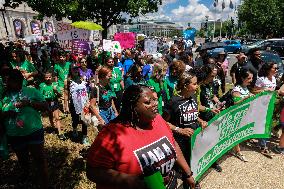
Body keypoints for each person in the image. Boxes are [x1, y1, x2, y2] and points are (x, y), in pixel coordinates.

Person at [86, 84, 195, 189]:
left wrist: (188, 174)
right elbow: (93, 171)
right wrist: (134, 182)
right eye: (148, 102)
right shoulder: (111, 135)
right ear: (133, 108)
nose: (154, 104)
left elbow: (173, 145)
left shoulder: (158, 119)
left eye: (154, 99)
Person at [1, 69, 48, 189]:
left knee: (39, 159)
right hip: (14, 134)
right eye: (15, 82)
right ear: (8, 81)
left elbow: (45, 106)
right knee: (23, 159)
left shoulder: (32, 91)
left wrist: (30, 103)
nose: (18, 84)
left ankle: (44, 182)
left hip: (34, 131)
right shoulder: (3, 95)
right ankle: (26, 174)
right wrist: (7, 113)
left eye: (20, 81)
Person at [163, 71, 207, 189]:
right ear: (185, 85)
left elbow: (192, 113)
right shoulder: (173, 102)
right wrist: (179, 129)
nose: (197, 86)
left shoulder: (192, 97)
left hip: (193, 140)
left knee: (193, 163)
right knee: (184, 169)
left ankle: (192, 182)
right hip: (180, 144)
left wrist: (200, 121)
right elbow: (163, 122)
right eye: (194, 84)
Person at [253, 62, 279, 155]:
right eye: (275, 68)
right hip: (261, 105)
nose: (276, 70)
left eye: (277, 68)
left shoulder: (274, 79)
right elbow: (254, 91)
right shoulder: (261, 79)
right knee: (265, 124)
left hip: (270, 105)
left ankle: (260, 143)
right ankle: (263, 146)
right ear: (269, 69)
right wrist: (265, 90)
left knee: (266, 124)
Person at [231, 68, 254, 162]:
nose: (251, 80)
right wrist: (246, 98)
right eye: (248, 78)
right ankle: (237, 151)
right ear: (242, 78)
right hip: (237, 115)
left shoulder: (245, 87)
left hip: (244, 114)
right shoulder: (236, 89)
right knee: (236, 133)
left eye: (251, 78)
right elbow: (236, 104)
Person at [65, 63, 90, 146]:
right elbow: (66, 94)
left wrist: (88, 101)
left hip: (84, 104)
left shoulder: (82, 78)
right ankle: (74, 129)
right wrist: (66, 106)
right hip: (74, 105)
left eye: (77, 69)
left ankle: (84, 137)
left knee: (85, 121)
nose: (75, 70)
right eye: (73, 69)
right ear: (70, 70)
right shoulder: (68, 81)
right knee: (75, 120)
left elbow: (87, 91)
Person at [39, 70, 65, 140]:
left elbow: (60, 95)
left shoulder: (55, 85)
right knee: (50, 115)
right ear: (44, 78)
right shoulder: (42, 85)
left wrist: (56, 91)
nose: (48, 78)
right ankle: (53, 128)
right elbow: (40, 96)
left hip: (54, 101)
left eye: (49, 77)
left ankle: (60, 132)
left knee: (57, 117)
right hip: (47, 102)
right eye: (46, 77)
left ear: (52, 77)